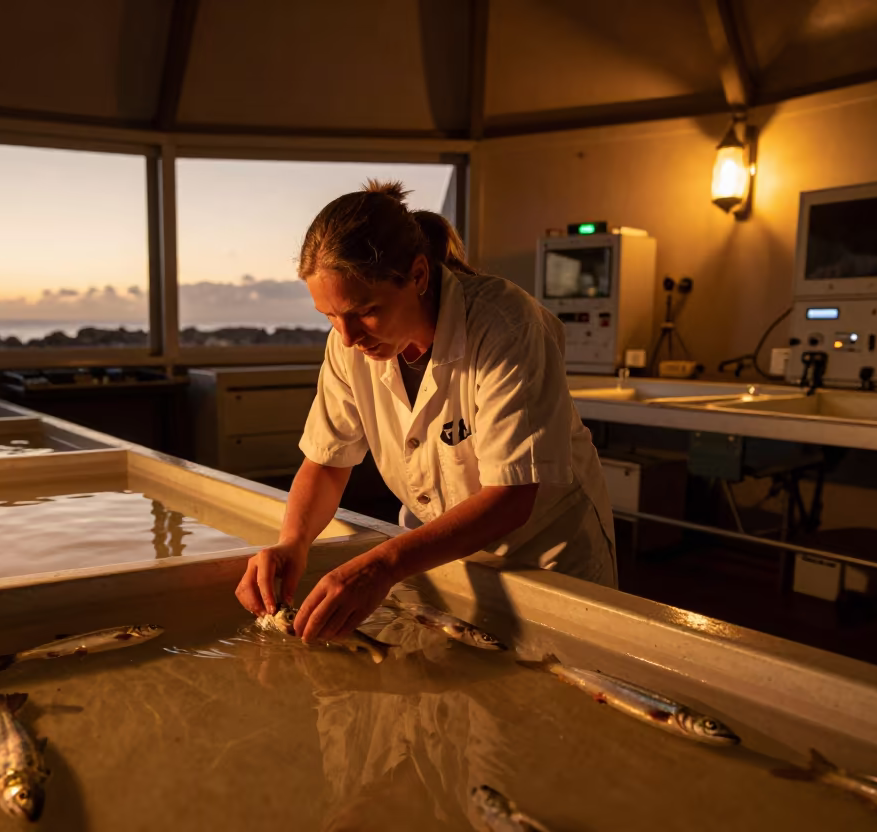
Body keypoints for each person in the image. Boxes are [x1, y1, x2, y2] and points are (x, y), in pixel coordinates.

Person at [234, 180, 617, 644]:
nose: (349, 336)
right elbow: (326, 462)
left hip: (541, 555)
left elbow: (512, 497)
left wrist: (380, 565)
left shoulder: (504, 326)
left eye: (366, 311)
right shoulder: (349, 344)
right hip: (437, 555)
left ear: (417, 276)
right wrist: (292, 543)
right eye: (330, 317)